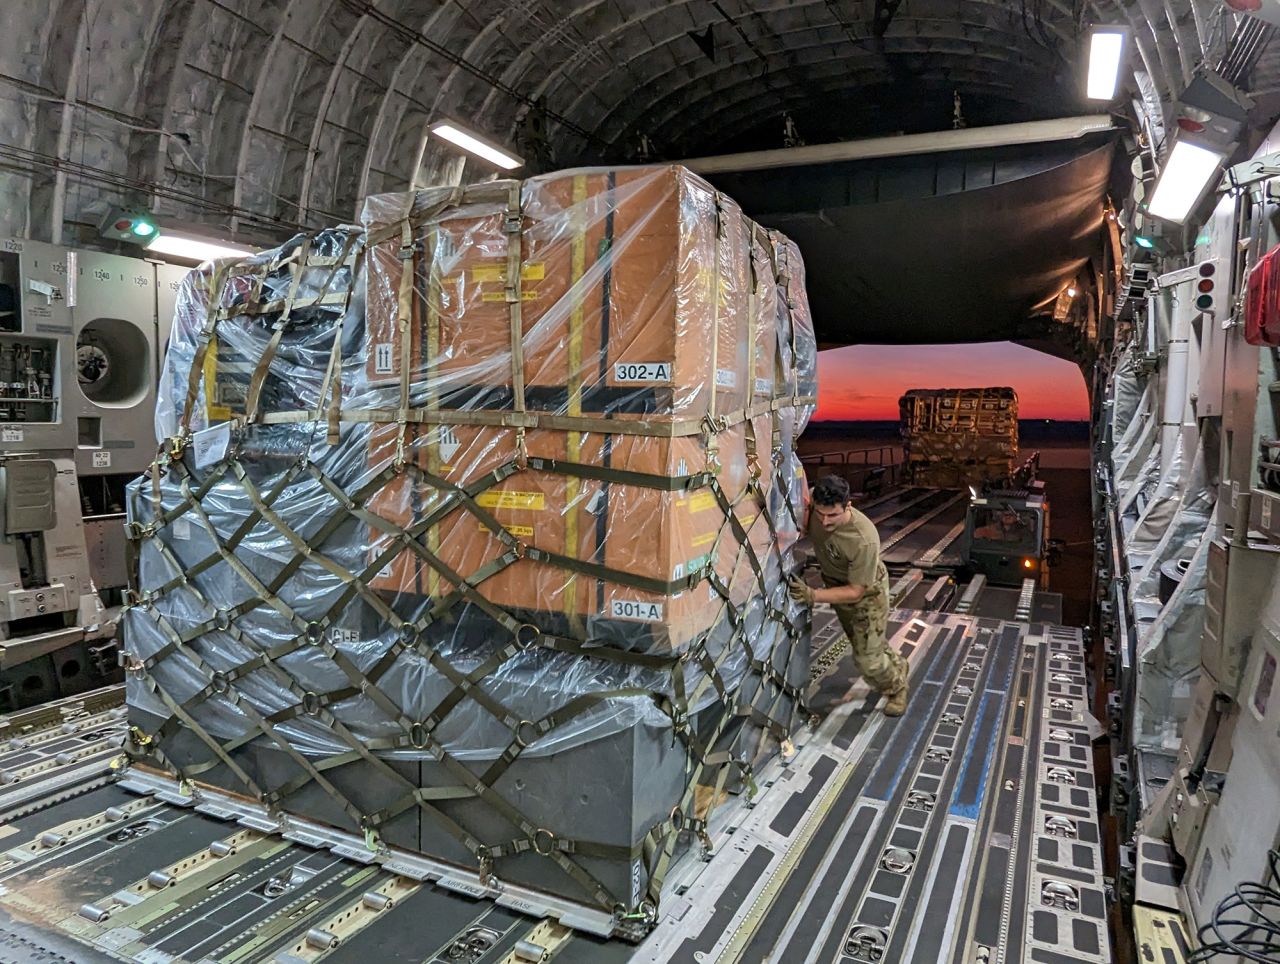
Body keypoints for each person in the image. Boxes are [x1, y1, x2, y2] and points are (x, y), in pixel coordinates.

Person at [788, 475, 910, 717]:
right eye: (820, 514)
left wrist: (813, 595)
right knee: (863, 641)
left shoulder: (862, 539)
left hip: (866, 594)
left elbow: (856, 591)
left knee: (867, 661)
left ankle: (896, 688)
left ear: (848, 506)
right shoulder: (815, 503)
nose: (824, 521)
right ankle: (896, 663)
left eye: (833, 515)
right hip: (836, 583)